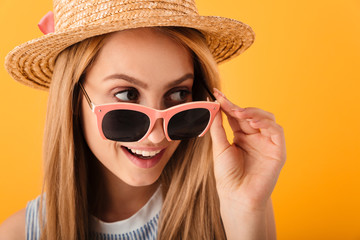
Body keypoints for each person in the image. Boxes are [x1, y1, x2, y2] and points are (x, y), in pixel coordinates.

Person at [0, 0, 286, 239]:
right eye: (127, 95)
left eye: (177, 94)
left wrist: (247, 214)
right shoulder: (18, 234)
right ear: (74, 97)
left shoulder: (232, 207)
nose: (157, 136)